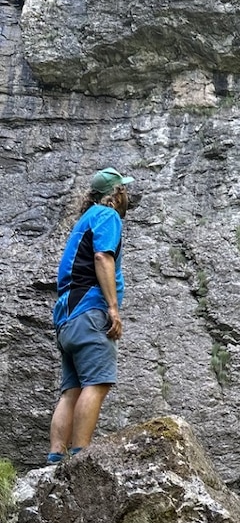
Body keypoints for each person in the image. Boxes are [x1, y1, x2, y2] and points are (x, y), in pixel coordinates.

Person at [47, 167, 141, 464]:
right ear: (117, 193)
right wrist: (113, 307)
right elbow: (102, 256)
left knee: (71, 391)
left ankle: (55, 456)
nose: (127, 195)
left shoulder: (83, 221)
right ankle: (80, 458)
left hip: (66, 318)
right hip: (89, 312)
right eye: (124, 189)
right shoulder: (107, 216)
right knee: (97, 383)